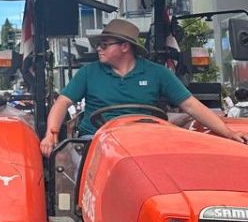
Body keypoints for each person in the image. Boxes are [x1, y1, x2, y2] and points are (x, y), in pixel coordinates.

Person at [40, 19, 248, 156]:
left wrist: (228, 134)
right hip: (95, 140)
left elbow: (191, 105)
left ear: (124, 46)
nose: (98, 49)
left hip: (144, 141)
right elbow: (63, 102)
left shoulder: (157, 73)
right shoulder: (89, 72)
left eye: (104, 45)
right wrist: (51, 133)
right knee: (74, 165)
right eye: (99, 45)